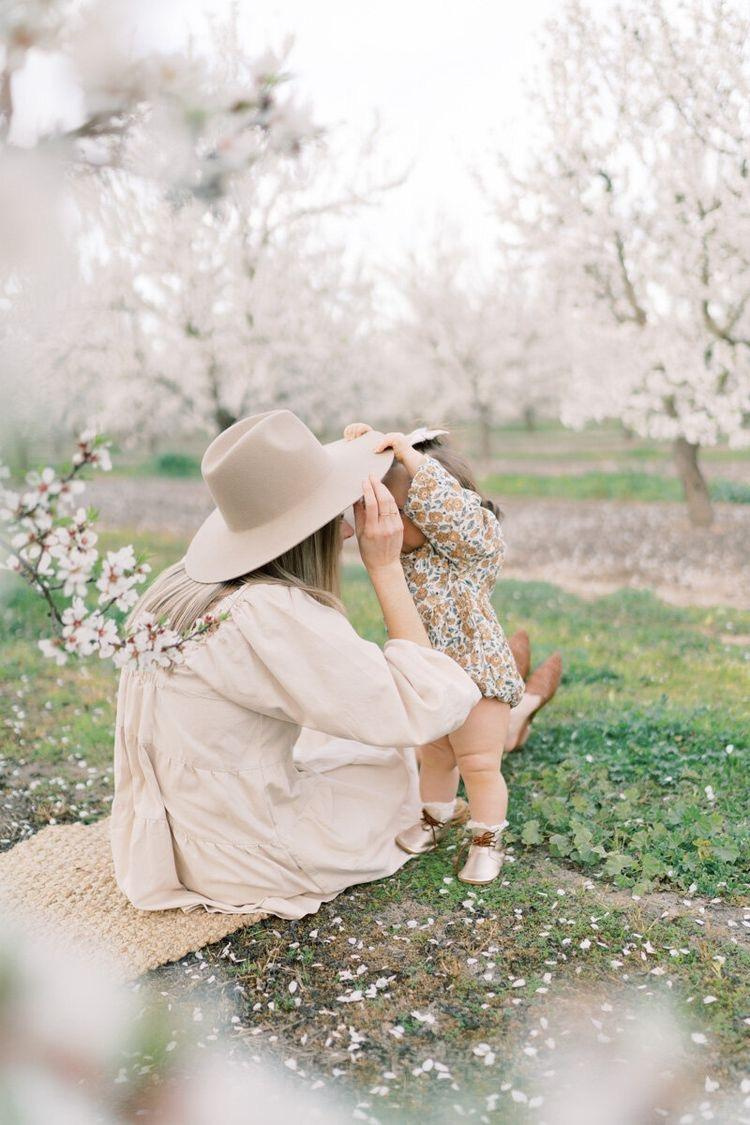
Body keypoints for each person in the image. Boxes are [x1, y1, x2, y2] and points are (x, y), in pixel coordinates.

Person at [109, 409, 483, 919]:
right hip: (249, 857)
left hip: (175, 838)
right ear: (308, 529)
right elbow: (429, 704)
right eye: (338, 514)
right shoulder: (264, 613)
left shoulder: (177, 589)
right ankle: (509, 717)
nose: (350, 532)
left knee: (347, 736)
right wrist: (386, 566)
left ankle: (508, 714)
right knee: (390, 767)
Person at [343, 424, 560, 884]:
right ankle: (435, 817)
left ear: (433, 509)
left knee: (480, 764)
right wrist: (362, 453)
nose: (386, 519)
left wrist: (411, 457)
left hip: (478, 678)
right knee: (436, 757)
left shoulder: (470, 548)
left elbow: (453, 515)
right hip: (430, 680)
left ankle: (486, 839)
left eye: (397, 509)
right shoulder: (402, 557)